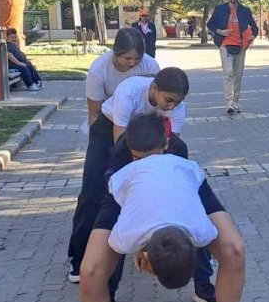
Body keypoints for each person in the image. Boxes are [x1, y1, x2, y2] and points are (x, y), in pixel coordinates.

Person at [77, 114, 251, 302]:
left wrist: (162, 245)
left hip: (185, 185)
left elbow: (202, 234)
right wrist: (140, 247)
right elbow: (124, 234)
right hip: (127, 193)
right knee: (91, 270)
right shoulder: (123, 170)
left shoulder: (186, 170)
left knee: (234, 250)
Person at [67, 67, 191, 287]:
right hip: (112, 131)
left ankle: (202, 286)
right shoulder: (129, 92)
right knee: (94, 193)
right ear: (154, 88)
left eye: (177, 103)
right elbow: (121, 147)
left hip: (150, 140)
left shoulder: (177, 107)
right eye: (168, 100)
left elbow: (170, 149)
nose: (172, 107)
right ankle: (78, 259)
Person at [84, 29, 161, 130]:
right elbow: (94, 112)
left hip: (142, 119)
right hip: (109, 116)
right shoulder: (98, 70)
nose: (132, 63)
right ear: (115, 53)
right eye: (127, 58)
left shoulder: (150, 66)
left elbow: (158, 99)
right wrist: (96, 134)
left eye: (138, 58)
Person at [207, 0, 259, 114]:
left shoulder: (245, 10)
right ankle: (229, 104)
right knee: (228, 73)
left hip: (240, 46)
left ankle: (236, 103)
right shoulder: (220, 9)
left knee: (238, 75)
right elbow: (210, 24)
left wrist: (252, 36)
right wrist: (221, 31)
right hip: (225, 45)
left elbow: (254, 27)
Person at [5, 27, 42, 92]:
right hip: (13, 65)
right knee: (23, 67)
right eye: (12, 37)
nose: (14, 39)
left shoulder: (13, 45)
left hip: (18, 63)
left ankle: (36, 82)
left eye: (15, 37)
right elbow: (9, 56)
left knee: (28, 64)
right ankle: (30, 85)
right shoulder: (7, 45)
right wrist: (19, 63)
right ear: (7, 37)